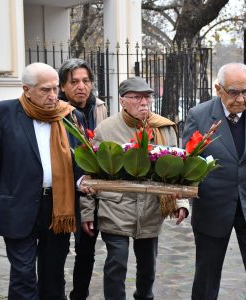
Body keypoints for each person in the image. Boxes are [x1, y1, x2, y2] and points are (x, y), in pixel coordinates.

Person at [182, 62, 246, 300]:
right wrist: (180, 200)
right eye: (234, 92)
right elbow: (187, 165)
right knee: (207, 277)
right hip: (212, 208)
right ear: (219, 89)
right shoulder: (198, 116)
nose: (241, 98)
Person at [80, 77, 190, 300]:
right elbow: (90, 174)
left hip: (151, 209)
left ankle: (144, 296)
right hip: (115, 206)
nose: (144, 102)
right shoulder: (106, 129)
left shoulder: (164, 128)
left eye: (147, 97)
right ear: (122, 101)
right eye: (136, 97)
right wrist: (87, 211)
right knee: (116, 263)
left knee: (148, 268)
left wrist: (180, 202)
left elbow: (178, 170)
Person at [0, 62, 89, 300]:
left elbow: (80, 163)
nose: (53, 95)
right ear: (26, 90)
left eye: (56, 88)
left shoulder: (71, 116)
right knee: (23, 276)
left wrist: (81, 181)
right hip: (18, 206)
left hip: (58, 209)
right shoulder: (3, 113)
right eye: (45, 90)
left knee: (53, 277)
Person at [58, 58, 107, 300]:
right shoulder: (56, 110)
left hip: (90, 189)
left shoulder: (99, 108)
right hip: (63, 189)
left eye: (86, 81)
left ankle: (79, 295)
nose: (81, 86)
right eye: (74, 81)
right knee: (56, 249)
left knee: (86, 250)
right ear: (63, 87)